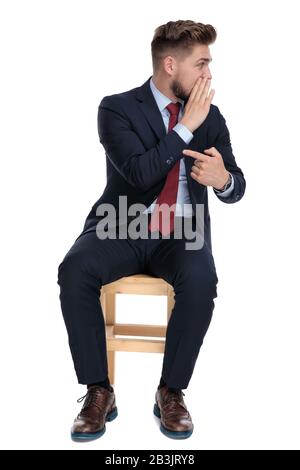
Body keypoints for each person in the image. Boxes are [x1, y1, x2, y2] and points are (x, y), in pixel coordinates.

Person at [57, 19, 246, 441]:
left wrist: (223, 180)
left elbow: (237, 186)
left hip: (182, 233)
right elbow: (141, 174)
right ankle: (98, 390)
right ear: (169, 64)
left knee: (201, 280)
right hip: (120, 224)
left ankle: (171, 392)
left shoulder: (211, 117)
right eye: (201, 64)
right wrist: (184, 128)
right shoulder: (116, 108)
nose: (208, 74)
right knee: (75, 270)